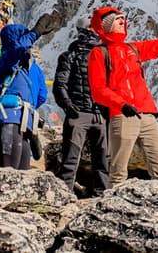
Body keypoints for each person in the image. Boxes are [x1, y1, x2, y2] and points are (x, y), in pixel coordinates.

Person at [88, 6, 158, 185]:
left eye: (122, 20)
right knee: (118, 171)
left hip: (146, 114)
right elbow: (98, 89)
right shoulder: (99, 53)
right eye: (117, 20)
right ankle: (111, 209)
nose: (122, 22)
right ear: (107, 26)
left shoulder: (133, 48)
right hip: (122, 114)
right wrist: (121, 104)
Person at [53, 17, 110, 196]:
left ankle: (100, 196)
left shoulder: (104, 55)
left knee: (103, 160)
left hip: (100, 114)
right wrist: (68, 106)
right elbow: (59, 85)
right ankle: (64, 195)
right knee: (71, 159)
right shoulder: (69, 56)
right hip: (79, 114)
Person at [0, 23, 47, 170]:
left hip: (9, 118)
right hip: (23, 120)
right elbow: (42, 96)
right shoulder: (12, 60)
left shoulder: (4, 62)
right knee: (18, 171)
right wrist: (34, 33)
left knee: (11, 170)